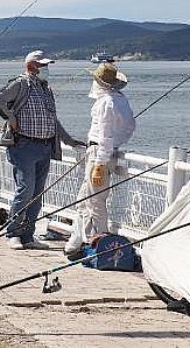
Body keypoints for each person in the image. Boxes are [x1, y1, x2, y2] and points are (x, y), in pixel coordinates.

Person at [0, 50, 84, 250]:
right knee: (25, 190)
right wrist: (11, 118)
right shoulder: (20, 84)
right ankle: (13, 233)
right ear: (30, 66)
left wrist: (70, 141)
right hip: (23, 145)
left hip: (45, 146)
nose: (46, 69)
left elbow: (53, 121)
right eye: (42, 66)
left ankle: (28, 235)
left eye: (46, 66)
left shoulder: (46, 89)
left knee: (36, 194)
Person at [64, 63, 135, 258]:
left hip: (99, 154)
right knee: (83, 199)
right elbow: (129, 128)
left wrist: (100, 163)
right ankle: (76, 241)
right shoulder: (121, 100)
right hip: (108, 152)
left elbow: (104, 135)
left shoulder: (105, 103)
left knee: (95, 202)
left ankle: (97, 245)